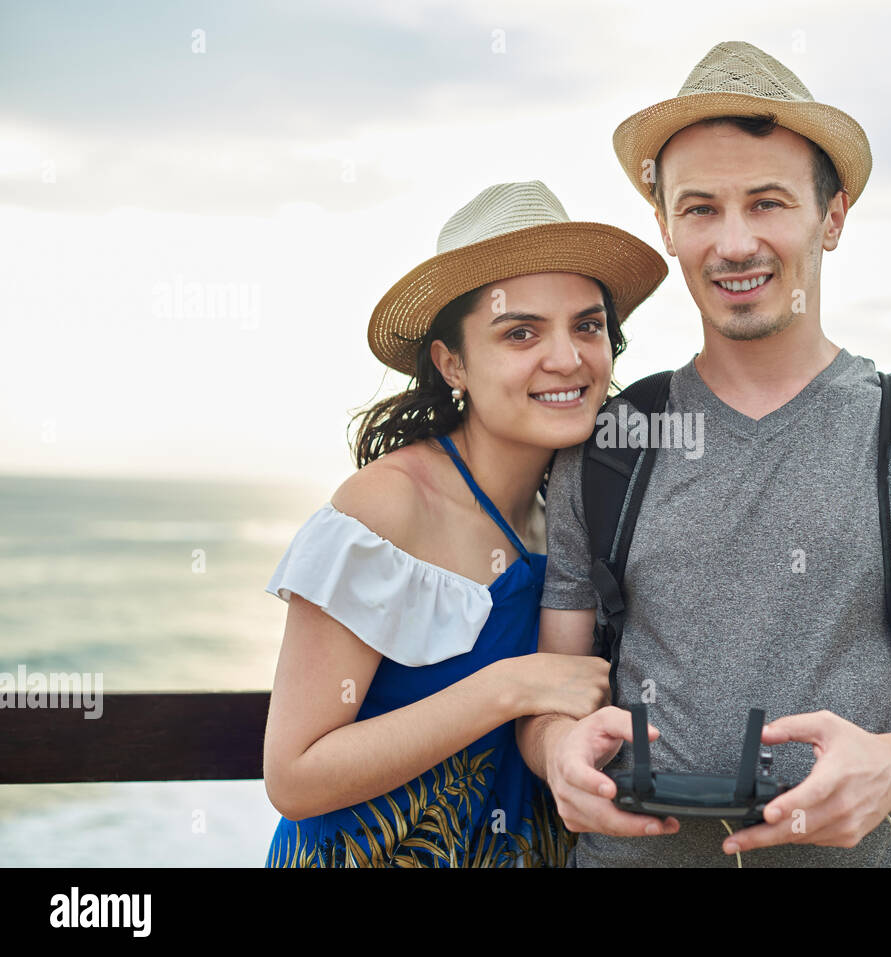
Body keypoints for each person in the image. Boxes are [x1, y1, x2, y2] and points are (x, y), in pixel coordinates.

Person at [517, 41, 891, 867]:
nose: (734, 243)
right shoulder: (611, 442)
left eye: (767, 203)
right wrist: (554, 752)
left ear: (833, 217)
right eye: (700, 209)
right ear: (665, 226)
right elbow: (550, 690)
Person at [261, 180, 667, 867]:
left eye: (587, 325)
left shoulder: (582, 512)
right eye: (521, 332)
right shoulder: (388, 508)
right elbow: (294, 776)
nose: (567, 358)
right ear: (453, 363)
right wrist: (510, 687)